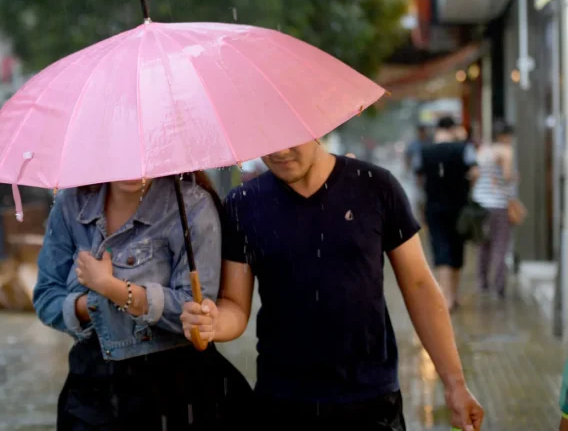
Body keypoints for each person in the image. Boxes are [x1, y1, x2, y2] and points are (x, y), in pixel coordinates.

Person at [180, 141, 484, 431]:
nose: (281, 151)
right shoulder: (242, 205)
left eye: (291, 137)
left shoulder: (376, 186)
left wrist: (455, 383)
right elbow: (234, 304)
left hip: (371, 399)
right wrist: (213, 322)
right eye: (270, 139)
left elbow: (419, 286)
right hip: (283, 402)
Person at [34, 173, 251, 430]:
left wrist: (111, 288)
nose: (131, 168)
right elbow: (47, 297)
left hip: (176, 387)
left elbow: (194, 312)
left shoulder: (191, 204)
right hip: (92, 387)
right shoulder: (71, 204)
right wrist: (92, 305)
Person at [414, 116, 477, 311]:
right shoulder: (463, 148)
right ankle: (453, 296)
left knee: (441, 249)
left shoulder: (424, 150)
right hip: (459, 207)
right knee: (457, 249)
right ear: (453, 128)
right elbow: (475, 172)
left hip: (434, 206)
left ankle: (445, 297)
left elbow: (418, 176)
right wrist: (466, 186)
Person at [472, 121, 516, 298]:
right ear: (505, 136)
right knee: (500, 245)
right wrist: (512, 177)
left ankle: (482, 282)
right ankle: (499, 286)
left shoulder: (483, 151)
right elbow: (505, 176)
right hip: (498, 204)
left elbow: (474, 175)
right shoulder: (506, 151)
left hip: (480, 204)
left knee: (483, 245)